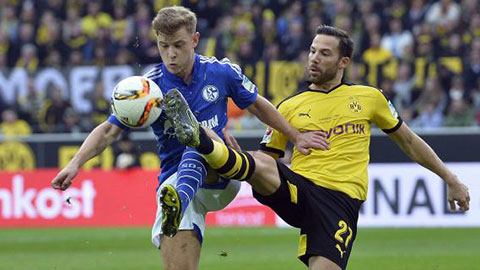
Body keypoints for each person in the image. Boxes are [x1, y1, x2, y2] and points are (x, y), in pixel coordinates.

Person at [164, 25, 471, 270]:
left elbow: (408, 141)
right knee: (262, 163)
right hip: (300, 190)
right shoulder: (288, 107)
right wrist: (235, 158)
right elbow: (266, 161)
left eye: (324, 53)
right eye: (312, 51)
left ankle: (213, 148)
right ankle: (207, 143)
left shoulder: (369, 97)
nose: (314, 58)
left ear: (343, 62)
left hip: (340, 203)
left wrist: (451, 178)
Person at [51, 6, 327, 270]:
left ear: (195, 40)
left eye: (178, 45)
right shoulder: (150, 86)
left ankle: (183, 189)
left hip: (220, 173)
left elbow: (256, 104)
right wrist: (75, 164)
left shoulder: (220, 72)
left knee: (199, 137)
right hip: (173, 182)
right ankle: (179, 201)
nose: (170, 54)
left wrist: (296, 136)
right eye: (163, 46)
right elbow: (110, 129)